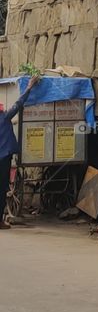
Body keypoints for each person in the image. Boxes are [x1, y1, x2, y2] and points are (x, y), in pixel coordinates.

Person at [0, 75, 40, 228]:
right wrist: (29, 86)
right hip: (3, 158)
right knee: (2, 189)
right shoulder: (4, 117)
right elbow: (19, 103)